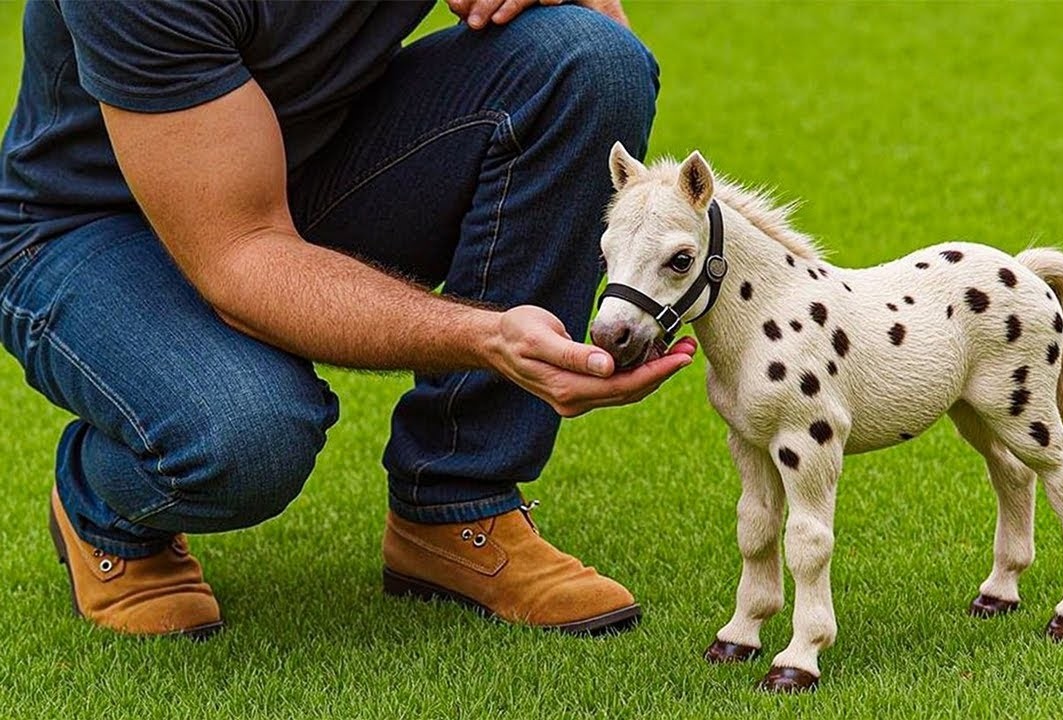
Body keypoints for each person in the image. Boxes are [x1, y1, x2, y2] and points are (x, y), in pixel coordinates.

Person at [0, 0, 695, 638]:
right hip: (86, 224)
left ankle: (458, 503)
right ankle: (102, 506)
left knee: (594, 61)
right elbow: (240, 252)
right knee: (248, 434)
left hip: (300, 165)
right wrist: (486, 335)